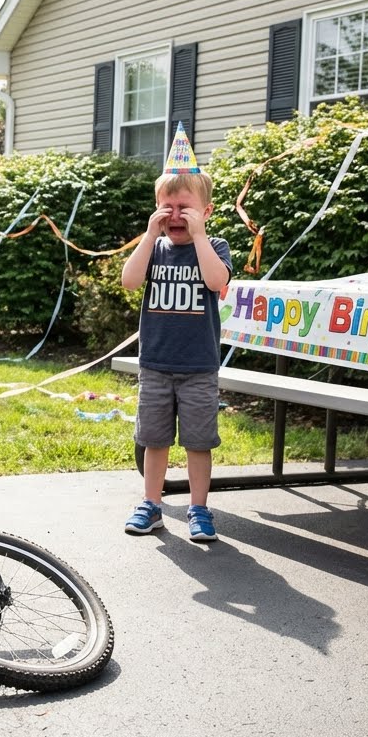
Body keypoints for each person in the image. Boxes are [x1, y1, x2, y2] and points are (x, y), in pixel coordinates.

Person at [119, 123, 232, 543]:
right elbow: (130, 281)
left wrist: (199, 236)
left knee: (198, 442)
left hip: (199, 366)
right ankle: (151, 504)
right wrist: (150, 235)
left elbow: (217, 280)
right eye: (166, 207)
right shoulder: (155, 248)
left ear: (207, 212)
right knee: (154, 439)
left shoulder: (215, 247)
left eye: (185, 208)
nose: (175, 215)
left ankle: (198, 508)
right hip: (156, 364)